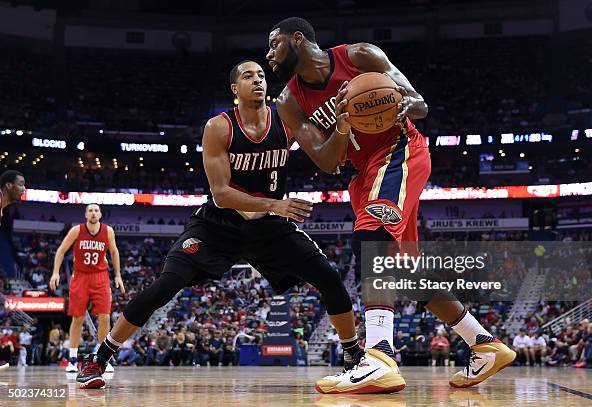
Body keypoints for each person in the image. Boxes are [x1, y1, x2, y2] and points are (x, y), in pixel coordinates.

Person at [75, 60, 361, 390]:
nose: (257, 80)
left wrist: (341, 128)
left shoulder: (286, 119)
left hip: (268, 228)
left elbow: (329, 162)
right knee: (165, 286)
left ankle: (353, 357)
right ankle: (97, 359)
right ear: (234, 89)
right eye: (248, 76)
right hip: (217, 225)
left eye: (261, 76)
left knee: (328, 277)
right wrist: (275, 203)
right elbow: (222, 195)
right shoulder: (219, 127)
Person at [266, 17, 515, 393]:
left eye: (274, 44)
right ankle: (484, 344)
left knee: (370, 241)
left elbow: (420, 105)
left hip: (400, 151)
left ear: (297, 39)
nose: (269, 55)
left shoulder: (360, 55)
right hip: (364, 171)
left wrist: (402, 105)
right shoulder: (288, 100)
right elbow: (327, 160)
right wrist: (343, 125)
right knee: (404, 273)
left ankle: (378, 356)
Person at [49, 203, 125, 372]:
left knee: (105, 316)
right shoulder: (77, 230)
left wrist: (118, 275)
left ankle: (102, 358)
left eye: (96, 210)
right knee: (77, 318)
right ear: (85, 214)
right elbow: (61, 251)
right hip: (80, 276)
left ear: (100, 214)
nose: (93, 213)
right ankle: (72, 360)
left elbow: (114, 252)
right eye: (90, 210)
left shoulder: (108, 231)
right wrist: (55, 273)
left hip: (101, 277)